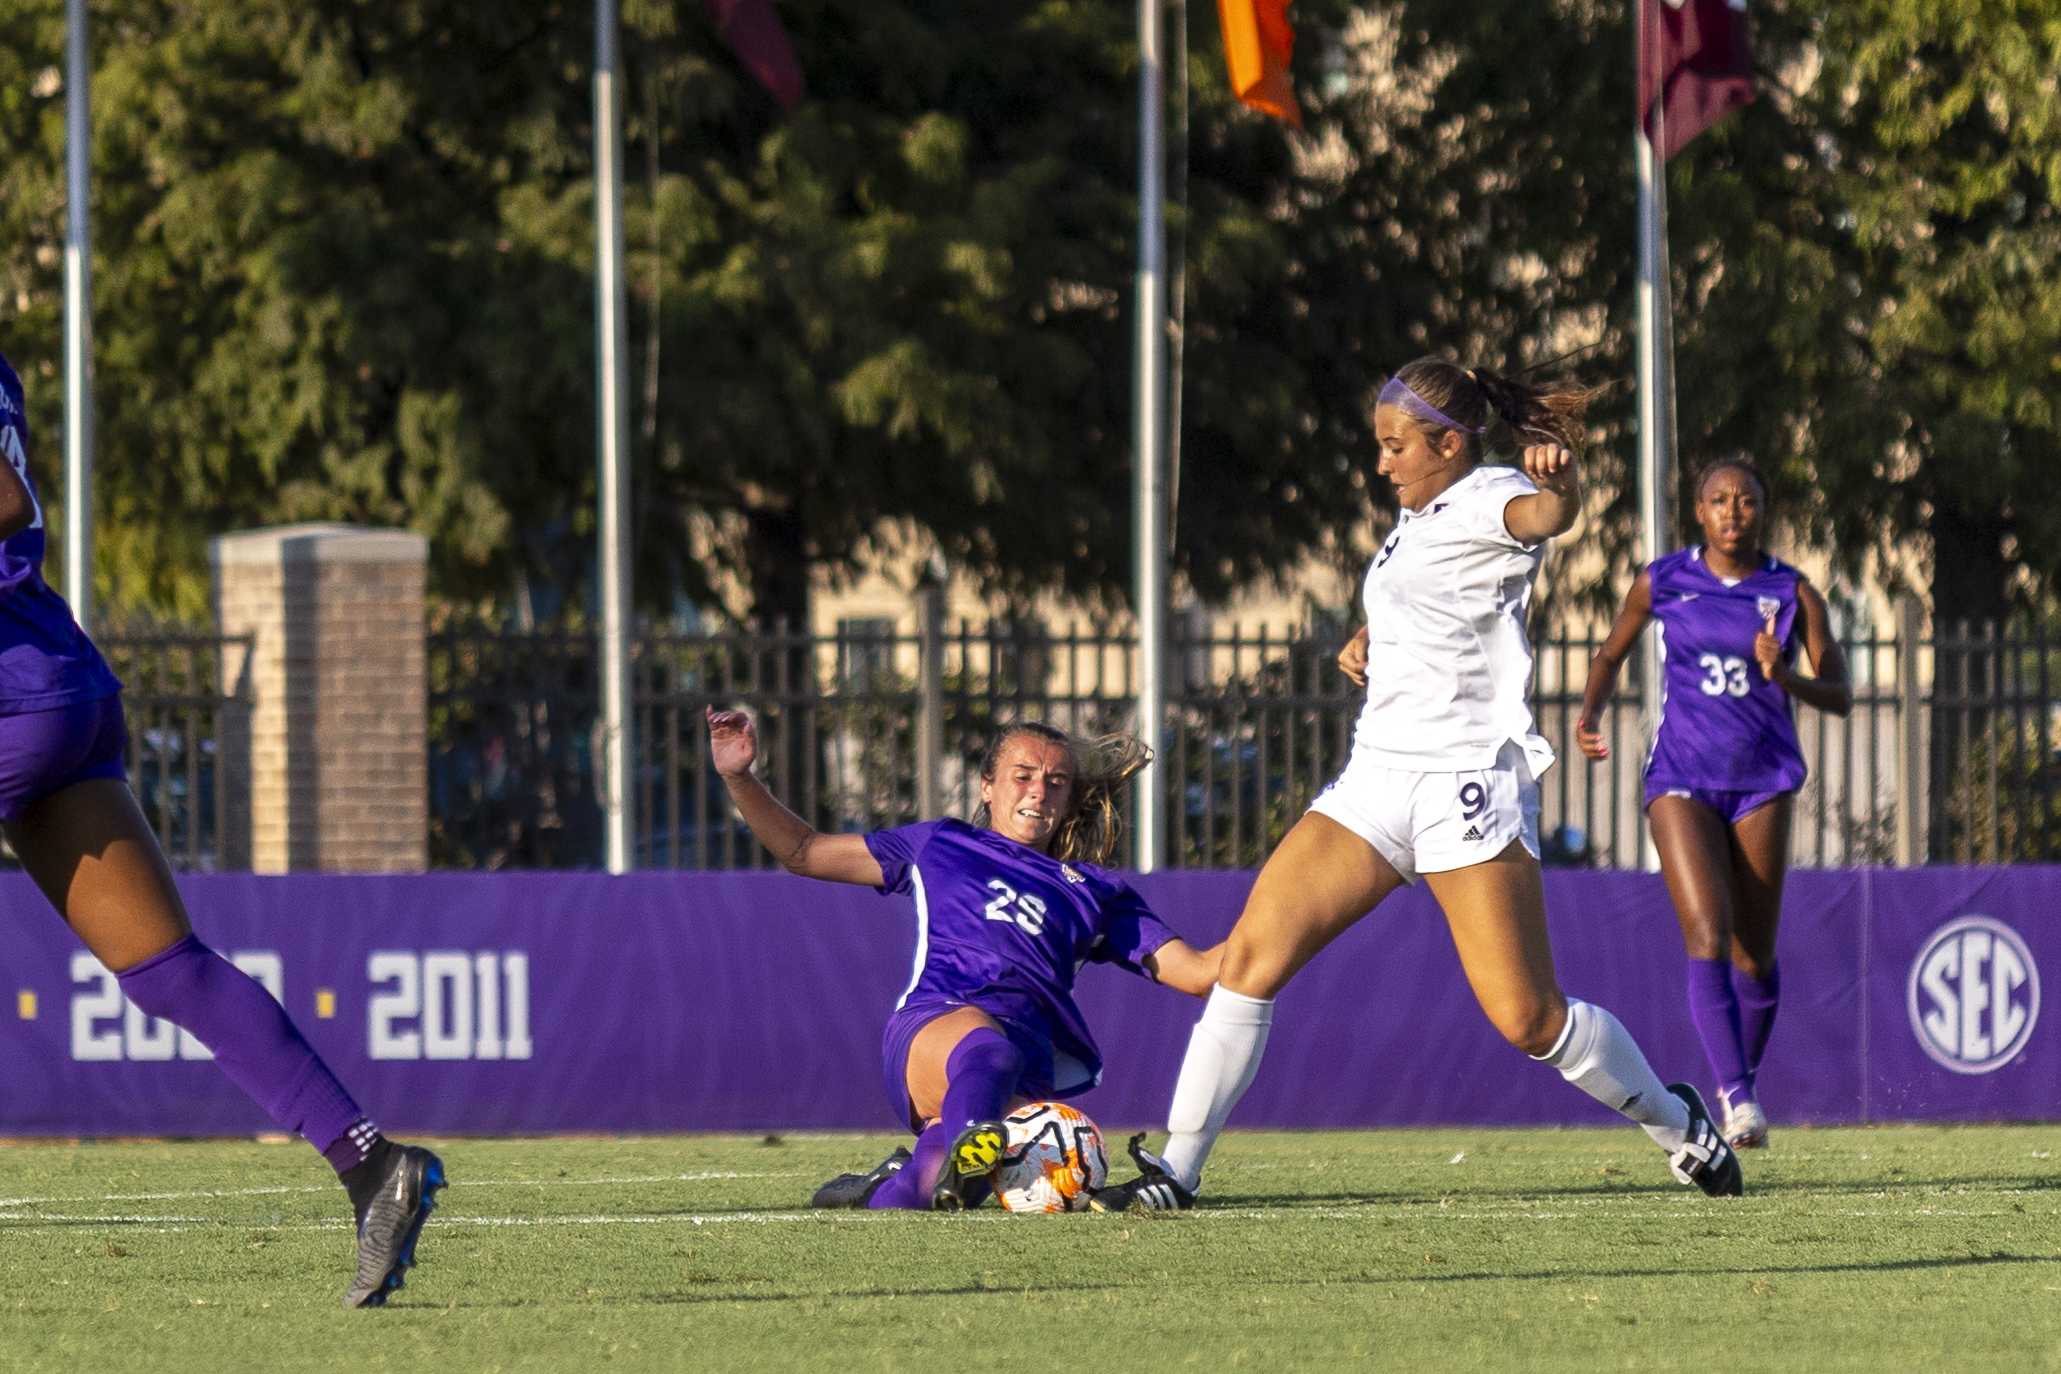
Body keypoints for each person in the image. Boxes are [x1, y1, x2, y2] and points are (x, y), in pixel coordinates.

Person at [1092, 357, 1744, 1213]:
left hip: (1464, 786)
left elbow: (1546, 515)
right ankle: (1175, 1172)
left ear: (1447, 442)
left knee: (1528, 1019)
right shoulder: (1420, 515)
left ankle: (1674, 1120)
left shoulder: (1491, 495)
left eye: (1395, 446)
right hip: (1375, 779)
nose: (1381, 463)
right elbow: (1434, 601)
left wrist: (1565, 478)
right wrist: (1374, 637)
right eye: (1379, 445)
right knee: (1247, 964)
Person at [0, 350, 443, 1308]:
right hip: (55, 687)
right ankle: (373, 1167)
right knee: (170, 970)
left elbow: (0, 499)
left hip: (7, 689)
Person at [706, 707, 1221, 1209]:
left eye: (1056, 781)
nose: (1039, 790)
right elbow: (803, 851)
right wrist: (740, 778)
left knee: (932, 1188)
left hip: (1026, 1070)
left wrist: (1283, 919)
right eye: (1022, 776)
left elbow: (1199, 974)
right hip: (936, 1029)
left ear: (1068, 800)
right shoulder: (941, 844)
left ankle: (877, 1189)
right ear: (987, 787)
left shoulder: (1097, 891)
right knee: (990, 1052)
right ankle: (976, 1138)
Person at [1574, 456, 1852, 1148]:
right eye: (1719, 500)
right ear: (1697, 511)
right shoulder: (1664, 580)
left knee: (1752, 954)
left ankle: (1741, 1084)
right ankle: (1737, 1100)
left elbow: (1840, 695)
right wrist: (1589, 713)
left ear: (1764, 510)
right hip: (1680, 777)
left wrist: (1782, 674)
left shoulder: (1791, 591)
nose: (1733, 512)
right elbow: (1609, 653)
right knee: (1704, 933)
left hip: (1761, 781)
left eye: (1747, 501)